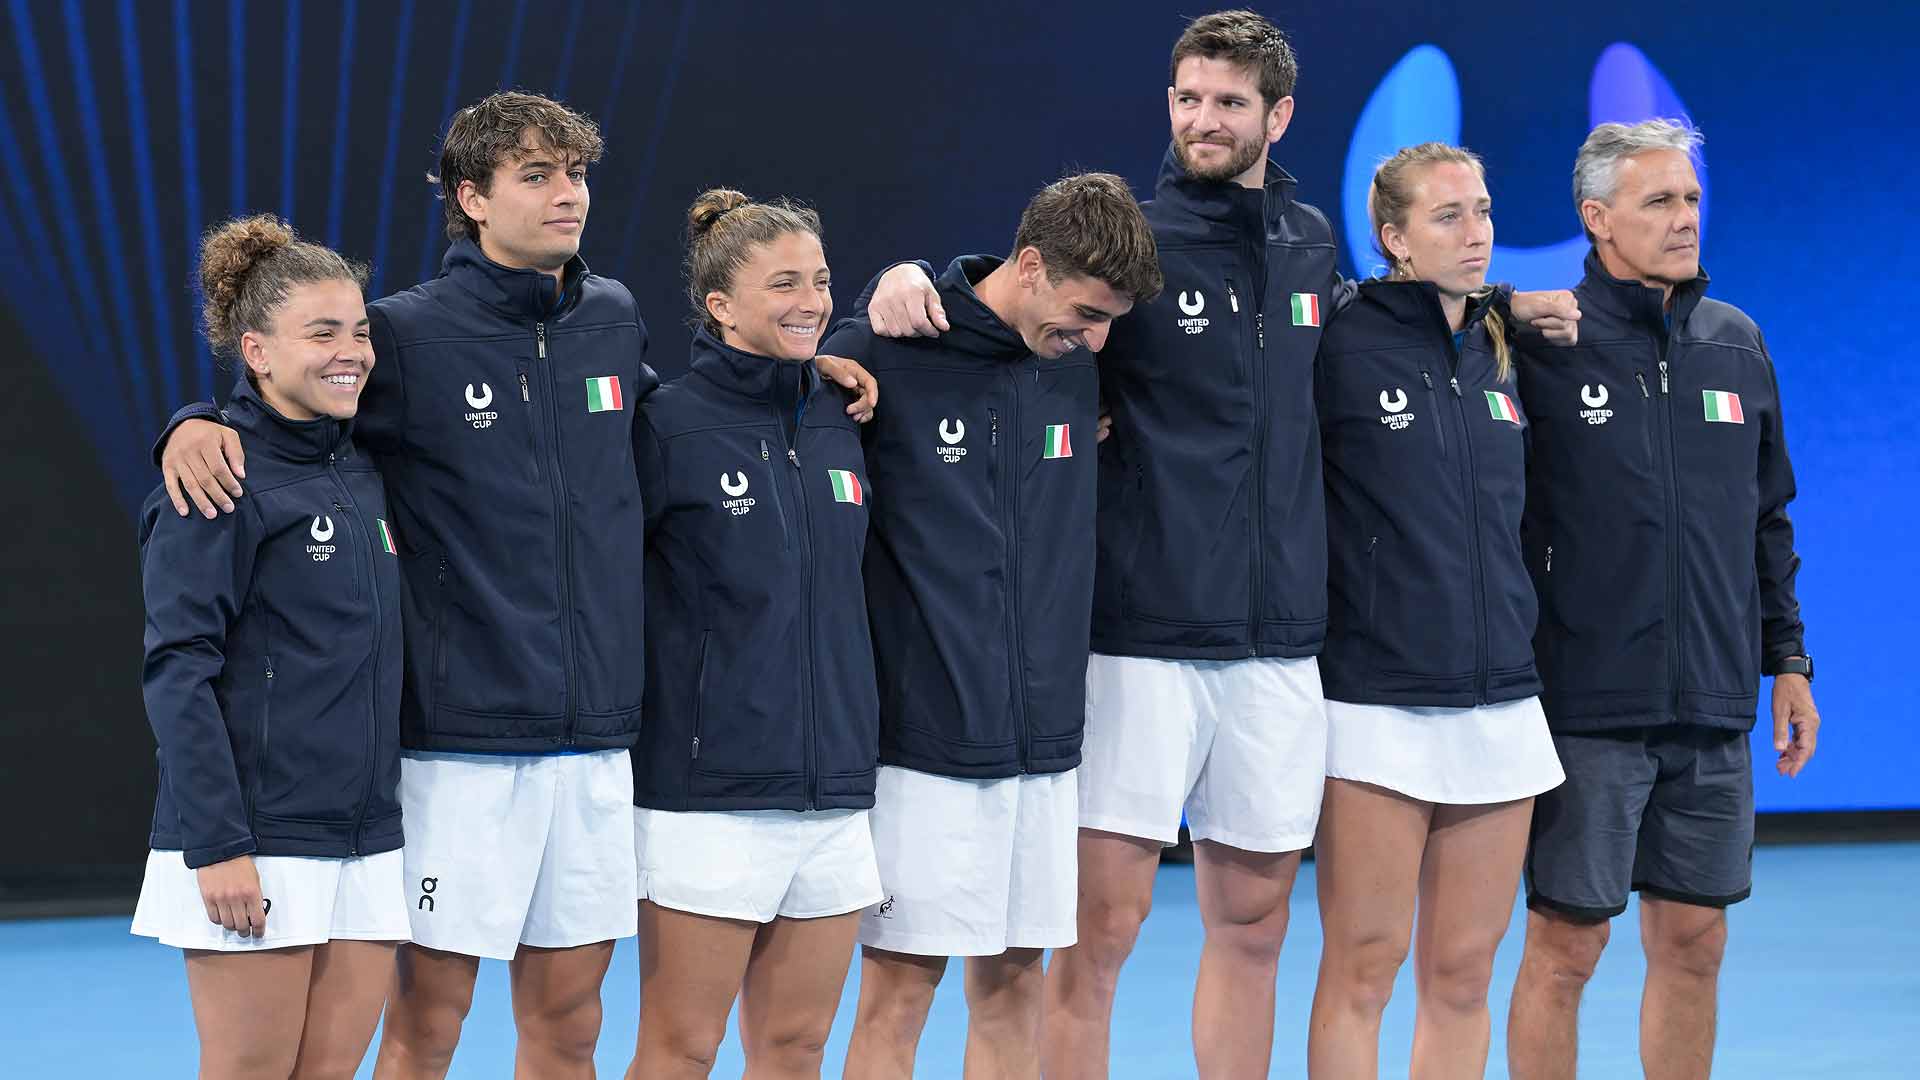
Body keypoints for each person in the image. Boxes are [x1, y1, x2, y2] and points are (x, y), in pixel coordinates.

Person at [865, 14, 1576, 1077]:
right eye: (1188, 98)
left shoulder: (1308, 244)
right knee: (1093, 939)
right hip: (1140, 643)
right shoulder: (1138, 239)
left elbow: (1382, 318)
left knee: (1254, 928)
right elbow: (1027, 303)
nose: (1203, 119)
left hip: (1280, 650)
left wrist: (1497, 300)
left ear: (1277, 115)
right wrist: (911, 283)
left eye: (1230, 103)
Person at [153, 92, 874, 1079]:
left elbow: (695, 421)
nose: (566, 193)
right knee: (430, 1028)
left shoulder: (613, 318)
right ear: (473, 199)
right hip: (462, 747)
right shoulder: (403, 335)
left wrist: (810, 369)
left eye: (574, 173)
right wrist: (194, 419)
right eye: (536, 174)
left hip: (593, 748)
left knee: (570, 1027)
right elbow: (292, 418)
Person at [828, 173, 1163, 1080]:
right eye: (1085, 312)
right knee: (897, 996)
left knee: (1015, 986)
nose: (1094, 339)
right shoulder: (886, 348)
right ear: (1028, 264)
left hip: (1045, 744)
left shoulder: (1075, 364)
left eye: (1109, 323)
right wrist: (879, 288)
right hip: (925, 741)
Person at [1504, 119, 1819, 1080]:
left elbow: (1769, 520)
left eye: (1689, 199)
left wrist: (1790, 663)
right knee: (1567, 952)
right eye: (1658, 202)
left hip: (1716, 709)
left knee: (1694, 944)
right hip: (1589, 706)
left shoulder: (1739, 344)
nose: (1685, 219)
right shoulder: (1544, 342)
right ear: (1597, 219)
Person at [1305, 143, 1564, 1079]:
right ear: (1393, 238)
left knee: (1462, 972)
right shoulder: (1337, 340)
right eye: (1448, 215)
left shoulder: (1500, 348)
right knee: (1366, 967)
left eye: (1484, 210)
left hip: (1500, 702)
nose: (1478, 232)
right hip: (1377, 700)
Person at [132, 214, 406, 1079]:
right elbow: (179, 669)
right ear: (256, 349)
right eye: (321, 332)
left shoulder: (364, 467)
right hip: (255, 837)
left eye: (359, 330)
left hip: (367, 837)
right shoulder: (215, 476)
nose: (350, 351)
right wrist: (216, 844)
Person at [623, 189, 880, 1080]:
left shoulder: (845, 420)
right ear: (721, 306)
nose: (811, 300)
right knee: (681, 1049)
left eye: (819, 279)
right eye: (783, 284)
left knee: (797, 1049)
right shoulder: (665, 427)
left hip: (836, 790)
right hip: (710, 796)